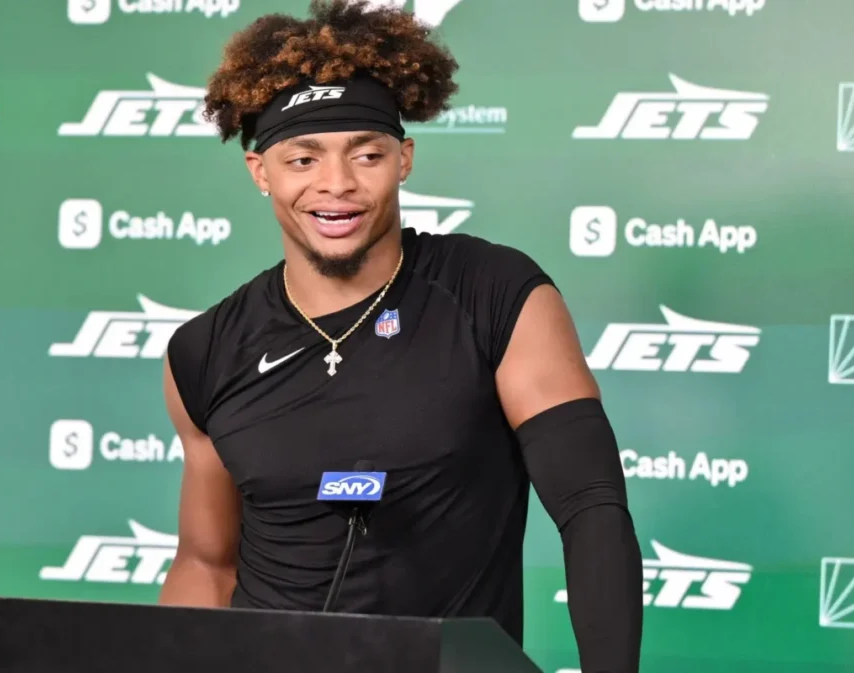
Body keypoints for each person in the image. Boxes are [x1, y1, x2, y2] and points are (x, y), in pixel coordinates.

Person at [158, 1, 643, 670]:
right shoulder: (204, 351)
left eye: (367, 155)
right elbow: (205, 564)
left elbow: (591, 508)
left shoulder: (494, 294)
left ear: (404, 159)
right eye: (303, 159)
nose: (337, 185)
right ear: (260, 171)